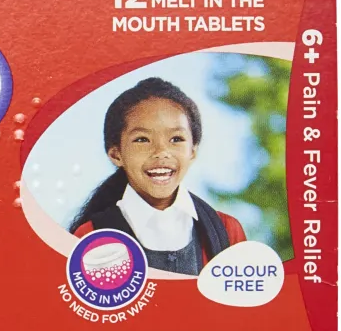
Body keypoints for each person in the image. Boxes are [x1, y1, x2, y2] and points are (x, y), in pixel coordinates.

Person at [69, 77, 245, 274]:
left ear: (193, 151)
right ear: (116, 154)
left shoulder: (226, 231)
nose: (161, 152)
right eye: (142, 139)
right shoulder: (91, 237)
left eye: (176, 139)